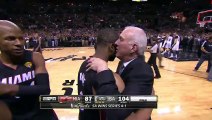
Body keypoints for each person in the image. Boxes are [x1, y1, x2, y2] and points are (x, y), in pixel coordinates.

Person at [87, 26, 154, 120]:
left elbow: (118, 110)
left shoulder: (142, 71)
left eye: (121, 39)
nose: (116, 43)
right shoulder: (123, 63)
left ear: (133, 48)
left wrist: (103, 70)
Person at [0, 20, 58, 120]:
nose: (18, 43)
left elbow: (44, 89)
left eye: (21, 38)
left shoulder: (35, 57)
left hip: (44, 116)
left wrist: (10, 89)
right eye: (11, 39)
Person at [78, 28, 125, 120]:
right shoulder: (111, 78)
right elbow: (117, 113)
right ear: (111, 47)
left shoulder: (85, 64)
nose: (118, 51)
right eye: (117, 47)